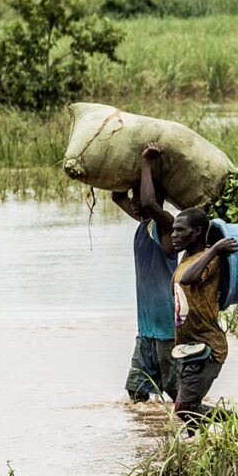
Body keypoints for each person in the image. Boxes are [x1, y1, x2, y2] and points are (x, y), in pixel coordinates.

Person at [108, 144, 176, 402]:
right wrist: (124, 159)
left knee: (176, 392)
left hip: (168, 329)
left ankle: (191, 433)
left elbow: (148, 202)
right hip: (147, 329)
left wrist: (146, 161)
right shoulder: (143, 225)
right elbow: (117, 196)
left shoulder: (169, 227)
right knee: (136, 390)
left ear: (157, 199)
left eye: (139, 196)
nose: (134, 202)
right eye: (134, 196)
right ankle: (151, 432)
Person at [163, 207, 238, 425]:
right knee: (191, 413)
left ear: (196, 232)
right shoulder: (188, 258)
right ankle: (196, 450)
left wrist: (215, 248)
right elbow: (175, 284)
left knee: (184, 409)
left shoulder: (210, 259)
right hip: (187, 347)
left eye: (179, 230)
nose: (174, 235)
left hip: (207, 348)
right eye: (173, 230)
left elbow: (187, 279)